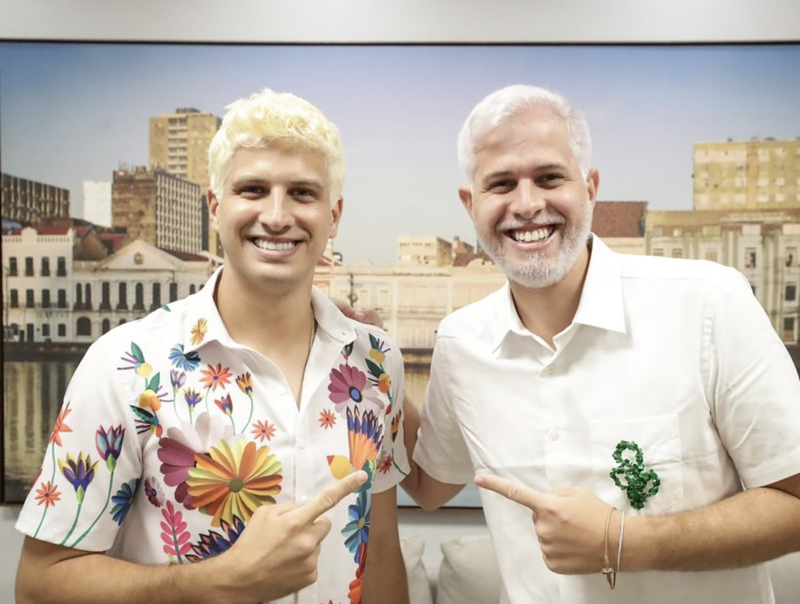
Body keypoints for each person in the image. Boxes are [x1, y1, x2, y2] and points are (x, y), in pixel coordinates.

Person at [400, 84, 800, 604]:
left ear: (590, 188)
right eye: (501, 183)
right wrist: (360, 360)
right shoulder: (461, 342)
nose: (527, 205)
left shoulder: (708, 304)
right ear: (470, 202)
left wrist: (624, 541)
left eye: (549, 177)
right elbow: (431, 485)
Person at [15, 89, 410, 604]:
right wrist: (221, 582)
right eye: (252, 189)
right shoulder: (124, 365)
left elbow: (378, 552)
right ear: (215, 206)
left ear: (333, 216)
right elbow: (39, 585)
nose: (276, 215)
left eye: (302, 193)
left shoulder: (377, 361)